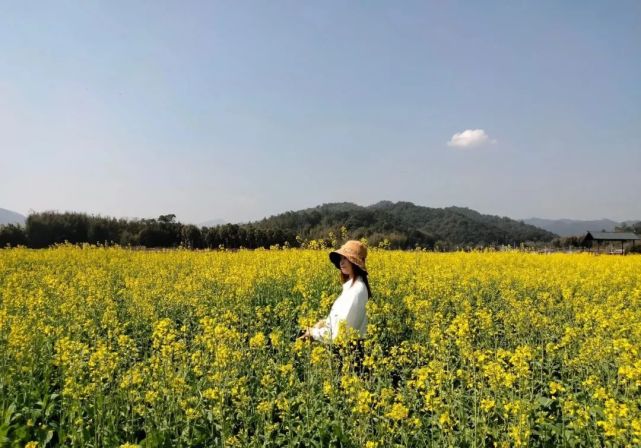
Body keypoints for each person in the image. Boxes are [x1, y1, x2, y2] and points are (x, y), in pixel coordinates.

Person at [298, 240, 372, 373]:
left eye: (346, 259)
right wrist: (322, 324)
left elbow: (340, 333)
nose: (341, 262)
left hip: (350, 355)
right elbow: (339, 320)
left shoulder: (358, 290)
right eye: (341, 258)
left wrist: (314, 333)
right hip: (342, 351)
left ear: (355, 263)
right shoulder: (350, 287)